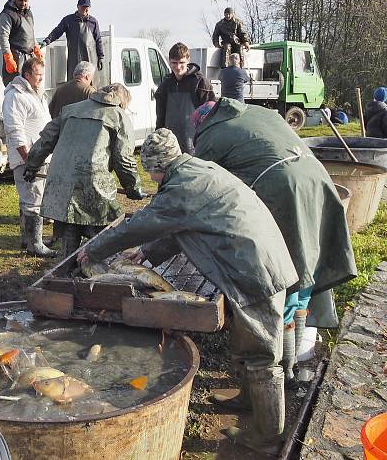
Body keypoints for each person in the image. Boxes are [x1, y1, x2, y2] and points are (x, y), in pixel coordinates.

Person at [77, 128, 297, 454]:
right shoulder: (197, 170)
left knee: (262, 356)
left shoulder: (181, 188)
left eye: (149, 169)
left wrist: (94, 250)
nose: (150, 175)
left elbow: (142, 222)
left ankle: (266, 438)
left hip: (255, 271)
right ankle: (247, 400)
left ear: (157, 166)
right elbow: (181, 223)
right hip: (255, 257)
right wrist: (148, 253)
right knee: (248, 341)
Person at [193, 98, 357, 384]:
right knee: (306, 268)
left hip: (282, 189)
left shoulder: (209, 135)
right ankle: (292, 367)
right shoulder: (258, 112)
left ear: (201, 123)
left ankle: (275, 373)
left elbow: (207, 191)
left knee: (282, 278)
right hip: (318, 178)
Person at [25, 83, 144, 257]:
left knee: (70, 227)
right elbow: (124, 159)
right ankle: (96, 271)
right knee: (103, 234)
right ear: (122, 102)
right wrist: (133, 187)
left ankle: (67, 269)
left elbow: (46, 140)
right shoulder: (119, 117)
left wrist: (32, 164)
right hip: (94, 183)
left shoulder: (69, 109)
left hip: (60, 180)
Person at [2, 57, 56, 258]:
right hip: (28, 158)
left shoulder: (36, 94)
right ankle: (35, 244)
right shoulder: (16, 96)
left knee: (32, 196)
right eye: (38, 74)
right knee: (32, 198)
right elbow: (14, 129)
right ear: (26, 74)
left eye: (43, 74)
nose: (41, 78)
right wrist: (29, 160)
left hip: (39, 156)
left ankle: (28, 238)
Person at [154, 42, 215, 154]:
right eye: (174, 63)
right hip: (171, 141)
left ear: (188, 60)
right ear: (169, 62)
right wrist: (159, 136)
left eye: (181, 62)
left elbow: (210, 113)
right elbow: (160, 115)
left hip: (195, 141)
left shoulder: (200, 82)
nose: (178, 67)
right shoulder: (165, 84)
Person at [40, 0, 104, 79]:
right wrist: (47, 41)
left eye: (87, 7)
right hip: (74, 60)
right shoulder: (68, 20)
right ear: (78, 6)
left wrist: (101, 57)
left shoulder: (93, 22)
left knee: (89, 84)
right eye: (83, 7)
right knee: (74, 82)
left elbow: (98, 40)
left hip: (90, 59)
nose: (85, 9)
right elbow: (57, 32)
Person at [0, 0, 43, 86]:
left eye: (25, 1)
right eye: (21, 0)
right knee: (16, 86)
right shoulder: (7, 14)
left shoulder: (29, 13)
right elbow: (3, 37)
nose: (23, 3)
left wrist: (36, 48)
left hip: (30, 57)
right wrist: (8, 56)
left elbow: (31, 33)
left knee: (32, 85)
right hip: (16, 56)